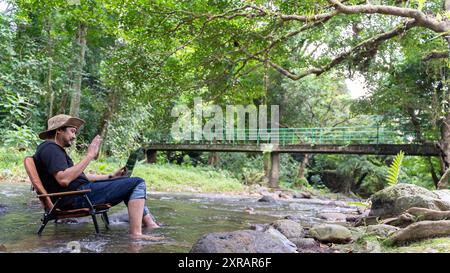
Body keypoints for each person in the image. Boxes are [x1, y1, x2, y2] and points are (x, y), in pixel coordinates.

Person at [33, 114, 160, 240]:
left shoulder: (51, 150)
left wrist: (110, 176)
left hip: (76, 194)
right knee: (137, 183)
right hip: (77, 197)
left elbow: (80, 176)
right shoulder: (50, 148)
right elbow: (64, 180)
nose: (74, 136)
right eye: (72, 131)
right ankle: (137, 235)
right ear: (59, 130)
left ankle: (150, 224)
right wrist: (89, 156)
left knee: (128, 183)